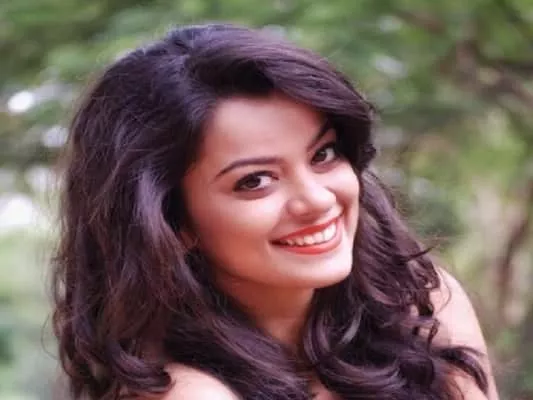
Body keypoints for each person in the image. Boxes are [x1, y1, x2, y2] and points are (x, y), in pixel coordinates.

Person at [51, 23, 498, 399]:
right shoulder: (188, 392)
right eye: (255, 181)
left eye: (323, 154)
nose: (317, 200)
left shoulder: (421, 302)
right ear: (171, 221)